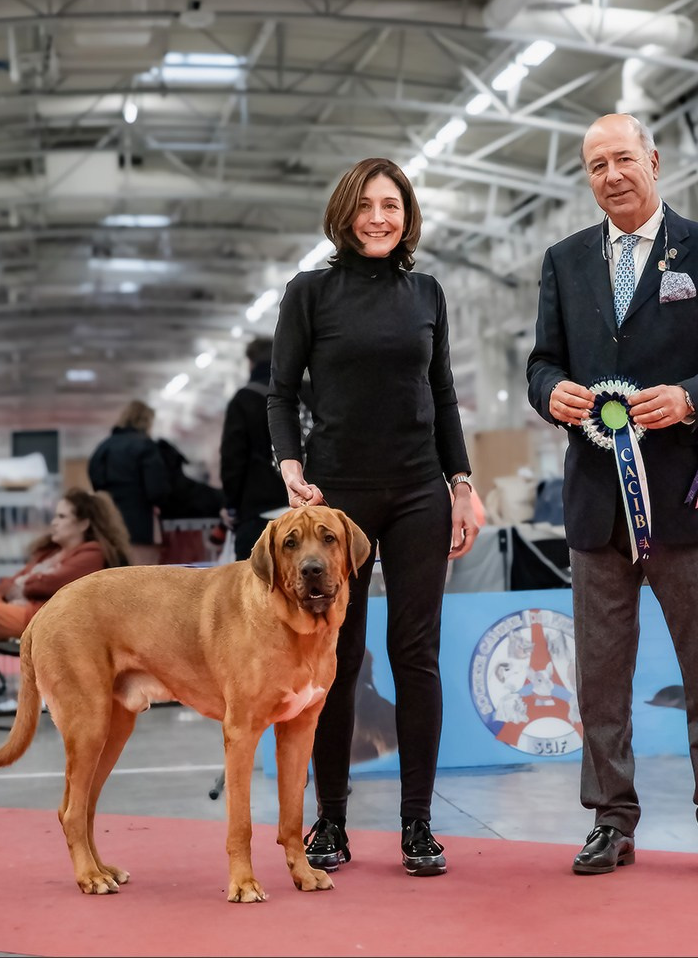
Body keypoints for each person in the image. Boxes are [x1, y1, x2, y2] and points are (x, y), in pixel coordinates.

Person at [526, 113, 698, 878]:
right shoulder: (563, 262)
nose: (611, 175)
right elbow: (539, 365)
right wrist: (552, 395)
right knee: (600, 675)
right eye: (596, 164)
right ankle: (610, 818)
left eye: (622, 159)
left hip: (688, 506)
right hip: (596, 511)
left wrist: (691, 398)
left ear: (653, 161)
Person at [268, 156, 479, 877]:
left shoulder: (426, 292)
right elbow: (279, 392)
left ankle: (417, 824)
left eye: (391, 205)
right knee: (339, 659)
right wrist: (291, 468)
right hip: (337, 499)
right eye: (366, 205)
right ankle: (330, 820)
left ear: (407, 214)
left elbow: (442, 393)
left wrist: (462, 482)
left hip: (419, 490)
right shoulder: (309, 293)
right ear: (345, 214)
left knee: (415, 654)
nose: (380, 217)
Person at [0, 488, 131, 643]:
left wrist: (22, 585)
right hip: (6, 607)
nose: (54, 522)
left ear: (83, 524)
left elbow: (49, 583)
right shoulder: (48, 553)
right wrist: (21, 585)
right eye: (55, 516)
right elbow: (7, 586)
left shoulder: (93, 554)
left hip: (34, 618)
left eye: (62, 517)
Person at [219, 338, 289, 560]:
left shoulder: (245, 399)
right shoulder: (307, 392)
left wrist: (231, 505)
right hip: (306, 508)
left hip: (259, 510)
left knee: (252, 588)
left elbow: (233, 458)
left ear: (251, 362)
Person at [88, 400, 172, 565]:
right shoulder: (146, 446)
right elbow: (156, 489)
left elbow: (95, 478)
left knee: (116, 573)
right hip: (140, 523)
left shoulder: (104, 446)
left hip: (109, 523)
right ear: (146, 421)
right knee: (140, 574)